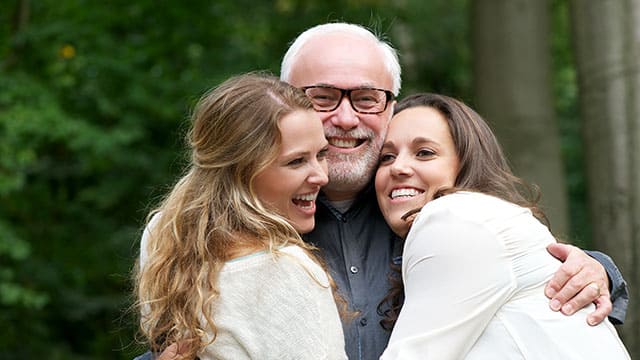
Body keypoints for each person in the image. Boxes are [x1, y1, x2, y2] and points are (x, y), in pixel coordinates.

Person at [143, 22, 629, 360]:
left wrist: (596, 270)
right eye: (323, 98)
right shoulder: (214, 230)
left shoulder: (422, 210)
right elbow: (189, 337)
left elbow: (508, 267)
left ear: (390, 104)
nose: (346, 118)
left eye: (367, 99)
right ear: (285, 104)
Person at [376, 93, 630, 359]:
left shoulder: (453, 216)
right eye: (386, 157)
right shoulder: (487, 219)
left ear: (466, 163)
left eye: (424, 153)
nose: (398, 167)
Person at [134, 73, 347, 359]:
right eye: (296, 161)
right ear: (241, 170)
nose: (321, 176)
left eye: (321, 154)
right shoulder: (286, 270)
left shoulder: (164, 232)